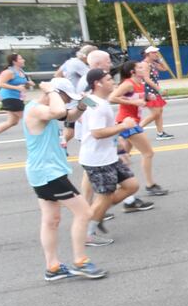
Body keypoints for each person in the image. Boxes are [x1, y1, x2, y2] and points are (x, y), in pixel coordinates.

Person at [25, 79, 105, 280]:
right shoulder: (36, 109)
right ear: (55, 93)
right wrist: (51, 90)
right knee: (84, 212)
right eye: (66, 97)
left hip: (45, 172)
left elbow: (68, 114)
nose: (68, 102)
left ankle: (52, 267)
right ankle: (81, 261)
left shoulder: (45, 108)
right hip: (48, 173)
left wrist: (81, 105)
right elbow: (60, 113)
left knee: (51, 220)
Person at [79, 66, 143, 246]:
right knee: (105, 196)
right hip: (97, 160)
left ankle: (96, 214)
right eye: (109, 80)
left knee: (131, 185)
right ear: (97, 83)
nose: (113, 82)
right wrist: (124, 126)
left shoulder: (94, 100)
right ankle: (88, 233)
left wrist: (118, 144)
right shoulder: (97, 105)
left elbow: (83, 107)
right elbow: (97, 133)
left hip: (108, 156)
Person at [108, 58, 168, 196]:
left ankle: (120, 186)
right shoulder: (128, 83)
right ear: (132, 72)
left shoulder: (139, 83)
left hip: (130, 121)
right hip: (127, 122)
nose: (144, 68)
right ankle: (150, 185)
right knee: (148, 153)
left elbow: (135, 98)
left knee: (125, 157)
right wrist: (135, 102)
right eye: (140, 67)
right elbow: (112, 98)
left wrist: (147, 97)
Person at [0, 51, 33, 148]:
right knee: (29, 118)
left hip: (17, 98)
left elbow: (26, 81)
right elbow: (0, 84)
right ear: (14, 61)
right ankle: (38, 139)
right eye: (21, 58)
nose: (23, 60)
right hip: (10, 99)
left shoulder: (21, 71)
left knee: (12, 122)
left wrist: (29, 83)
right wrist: (17, 88)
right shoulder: (9, 72)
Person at [139, 47, 172, 140]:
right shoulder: (145, 64)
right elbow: (146, 79)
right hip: (148, 90)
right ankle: (136, 129)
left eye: (157, 52)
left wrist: (160, 60)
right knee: (156, 113)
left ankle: (160, 133)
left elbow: (165, 68)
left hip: (154, 90)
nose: (157, 54)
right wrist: (159, 89)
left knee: (159, 112)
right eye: (154, 53)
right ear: (148, 54)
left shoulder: (153, 63)